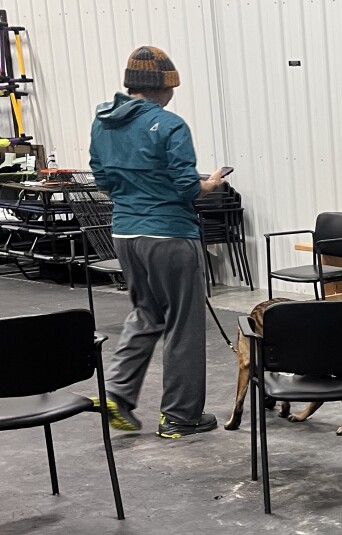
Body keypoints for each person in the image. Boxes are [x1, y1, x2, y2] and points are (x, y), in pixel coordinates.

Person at [88, 46, 227, 438]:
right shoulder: (170, 125)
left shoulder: (102, 123)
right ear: (164, 87)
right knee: (184, 324)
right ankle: (181, 417)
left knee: (146, 314)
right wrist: (211, 185)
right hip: (169, 235)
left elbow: (101, 179)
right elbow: (187, 189)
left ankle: (117, 393)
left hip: (125, 234)